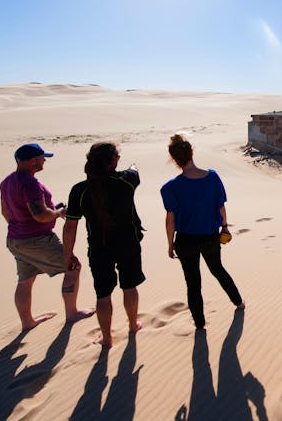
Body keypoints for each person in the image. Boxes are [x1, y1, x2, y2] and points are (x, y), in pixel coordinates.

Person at [0, 143, 94, 331]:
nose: (44, 161)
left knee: (25, 279)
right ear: (33, 160)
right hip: (37, 239)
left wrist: (25, 224)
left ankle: (27, 322)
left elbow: (5, 212)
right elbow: (40, 215)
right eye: (43, 158)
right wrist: (58, 213)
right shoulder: (30, 183)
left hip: (16, 239)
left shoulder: (7, 181)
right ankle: (72, 313)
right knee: (73, 266)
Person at [62, 142, 146, 347]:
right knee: (129, 287)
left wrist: (67, 254)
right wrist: (131, 164)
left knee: (103, 293)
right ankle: (133, 325)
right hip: (128, 244)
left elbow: (70, 226)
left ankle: (107, 338)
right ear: (112, 161)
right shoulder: (126, 181)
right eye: (117, 156)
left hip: (100, 248)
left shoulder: (80, 190)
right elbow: (134, 170)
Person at [161, 134, 244, 330]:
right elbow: (221, 208)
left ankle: (199, 324)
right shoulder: (212, 177)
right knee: (218, 270)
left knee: (193, 283)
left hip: (185, 240)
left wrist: (170, 243)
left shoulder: (170, 187)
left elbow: (170, 219)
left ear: (174, 159)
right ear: (192, 152)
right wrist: (224, 226)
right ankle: (238, 302)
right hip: (209, 237)